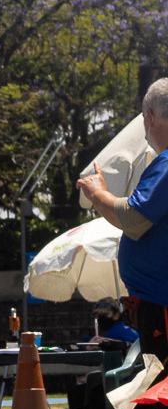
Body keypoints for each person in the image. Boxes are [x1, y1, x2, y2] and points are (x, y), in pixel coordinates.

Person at [81, 80, 168, 368]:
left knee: (163, 394)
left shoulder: (167, 163)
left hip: (161, 307)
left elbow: (133, 218)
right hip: (155, 304)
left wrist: (98, 194)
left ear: (150, 117)